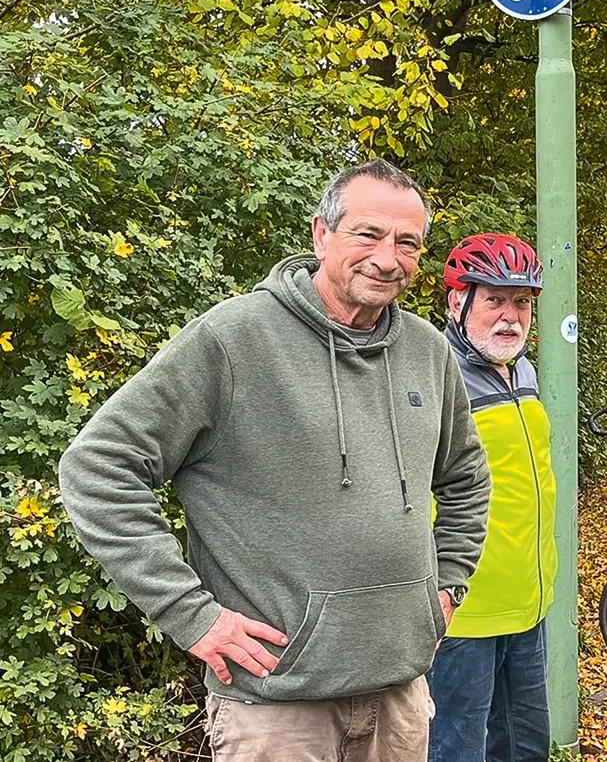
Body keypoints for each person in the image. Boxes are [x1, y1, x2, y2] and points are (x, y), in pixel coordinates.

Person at [58, 159, 493, 762]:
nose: (387, 258)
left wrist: (446, 586)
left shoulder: (427, 350)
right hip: (275, 704)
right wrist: (191, 615)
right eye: (367, 234)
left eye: (407, 243)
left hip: (399, 693)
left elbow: (466, 476)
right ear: (321, 234)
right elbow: (98, 467)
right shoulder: (233, 339)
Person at [427, 233, 557, 762]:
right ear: (457, 302)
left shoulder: (521, 369)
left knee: (527, 749)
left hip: (528, 606)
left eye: (521, 302)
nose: (511, 316)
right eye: (495, 300)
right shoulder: (434, 375)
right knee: (455, 752)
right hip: (465, 613)